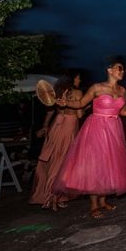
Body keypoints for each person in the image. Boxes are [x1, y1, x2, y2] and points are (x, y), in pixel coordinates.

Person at [55, 59, 126, 218]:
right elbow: (80, 103)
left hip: (114, 129)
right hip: (96, 128)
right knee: (95, 165)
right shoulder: (97, 87)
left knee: (109, 164)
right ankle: (93, 205)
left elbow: (123, 111)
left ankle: (102, 201)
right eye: (119, 68)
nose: (122, 71)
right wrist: (66, 102)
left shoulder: (122, 90)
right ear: (109, 70)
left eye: (123, 69)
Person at [28, 72, 83, 210]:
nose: (80, 80)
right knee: (63, 162)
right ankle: (53, 197)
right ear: (73, 79)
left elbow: (50, 112)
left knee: (53, 160)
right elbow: (80, 114)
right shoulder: (77, 92)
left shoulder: (56, 92)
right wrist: (86, 107)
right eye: (78, 77)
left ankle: (52, 197)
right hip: (69, 128)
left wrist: (45, 126)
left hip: (55, 127)